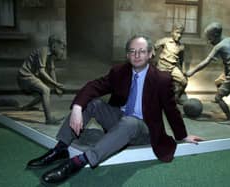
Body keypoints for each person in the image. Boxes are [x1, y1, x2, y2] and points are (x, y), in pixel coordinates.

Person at [26, 34, 203, 184]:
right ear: (127, 55)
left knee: (130, 122)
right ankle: (60, 148)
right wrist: (78, 108)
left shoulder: (162, 80)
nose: (137, 55)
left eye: (142, 51)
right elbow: (93, 86)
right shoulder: (120, 72)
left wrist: (183, 136)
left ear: (150, 54)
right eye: (132, 51)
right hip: (120, 120)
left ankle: (79, 162)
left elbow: (172, 110)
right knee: (92, 103)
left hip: (144, 130)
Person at [185, 22, 230, 125]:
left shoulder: (219, 46)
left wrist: (191, 71)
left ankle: (229, 118)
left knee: (218, 97)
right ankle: (221, 96)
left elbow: (206, 62)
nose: (209, 41)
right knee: (218, 82)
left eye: (210, 38)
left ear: (215, 35)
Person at [17, 34, 66, 124]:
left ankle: (27, 107)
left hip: (31, 76)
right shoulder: (44, 51)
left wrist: (56, 86)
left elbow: (51, 70)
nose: (62, 52)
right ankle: (49, 119)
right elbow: (41, 72)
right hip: (24, 76)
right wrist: (56, 85)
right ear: (54, 46)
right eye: (61, 48)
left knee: (45, 91)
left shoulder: (50, 55)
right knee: (45, 90)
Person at [154, 24, 187, 104]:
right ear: (172, 32)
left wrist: (183, 70)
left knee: (184, 82)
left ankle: (176, 98)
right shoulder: (165, 41)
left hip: (172, 68)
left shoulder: (181, 46)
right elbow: (154, 47)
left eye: (181, 34)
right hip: (162, 67)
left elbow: (182, 60)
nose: (179, 35)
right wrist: (152, 57)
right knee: (160, 85)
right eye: (177, 32)